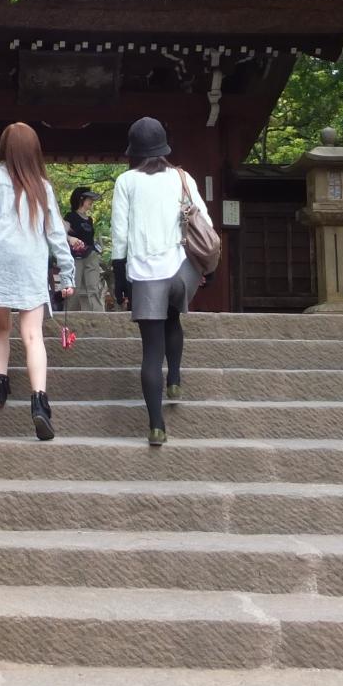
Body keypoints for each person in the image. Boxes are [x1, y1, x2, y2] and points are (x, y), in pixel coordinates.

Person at [0, 122, 75, 440]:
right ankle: (39, 403)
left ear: (4, 147)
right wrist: (67, 273)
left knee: (1, 327)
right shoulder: (42, 186)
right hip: (30, 262)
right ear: (33, 150)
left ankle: (0, 385)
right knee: (33, 334)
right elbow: (56, 234)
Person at [110, 117, 210, 447]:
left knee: (151, 351)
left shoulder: (126, 182)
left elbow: (120, 233)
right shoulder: (182, 177)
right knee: (174, 320)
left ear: (135, 151)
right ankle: (175, 379)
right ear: (164, 147)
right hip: (181, 270)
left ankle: (156, 427)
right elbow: (204, 221)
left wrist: (120, 276)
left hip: (145, 273)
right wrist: (206, 267)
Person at [64, 186, 105, 312]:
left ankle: (99, 317)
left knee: (94, 287)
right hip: (75, 257)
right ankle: (70, 318)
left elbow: (89, 238)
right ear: (81, 199)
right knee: (74, 288)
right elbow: (61, 235)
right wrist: (70, 238)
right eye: (89, 199)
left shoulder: (90, 219)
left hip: (91, 255)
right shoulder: (70, 216)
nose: (91, 201)